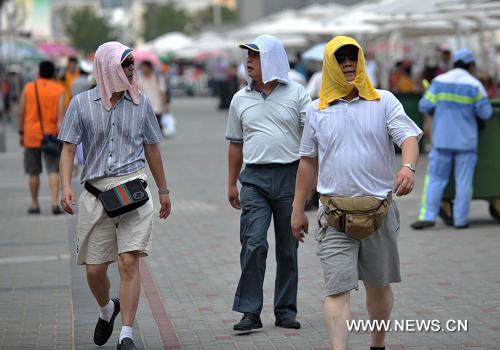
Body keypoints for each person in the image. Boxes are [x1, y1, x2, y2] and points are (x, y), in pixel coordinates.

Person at [291, 36, 422, 350]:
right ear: (330, 66)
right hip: (333, 215)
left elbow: (408, 138)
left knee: (378, 286)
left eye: (353, 57)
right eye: (341, 59)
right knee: (337, 290)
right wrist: (297, 209)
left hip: (380, 211)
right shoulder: (316, 110)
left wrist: (408, 167)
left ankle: (378, 344)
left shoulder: (384, 101)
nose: (348, 64)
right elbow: (307, 163)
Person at [58, 42, 172, 350]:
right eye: (126, 63)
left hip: (134, 191)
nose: (132, 68)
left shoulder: (142, 103)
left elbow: (151, 148)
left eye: (133, 62)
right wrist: (66, 186)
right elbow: (68, 147)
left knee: (127, 261)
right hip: (96, 194)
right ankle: (107, 308)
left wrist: (163, 190)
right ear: (109, 67)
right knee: (95, 269)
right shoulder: (80, 104)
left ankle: (126, 334)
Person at [226, 34, 310, 332]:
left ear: (272, 60)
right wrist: (231, 183)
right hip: (254, 181)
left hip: (290, 177)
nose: (248, 62)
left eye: (254, 56)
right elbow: (236, 144)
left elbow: (313, 138)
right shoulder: (240, 98)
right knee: (253, 243)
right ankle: (250, 311)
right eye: (247, 56)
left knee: (288, 248)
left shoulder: (298, 94)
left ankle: (285, 310)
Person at [411, 49, 492, 230]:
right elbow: (485, 113)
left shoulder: (439, 82)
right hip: (466, 142)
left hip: (442, 140)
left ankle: (427, 216)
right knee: (464, 181)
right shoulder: (475, 85)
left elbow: (424, 105)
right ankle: (461, 221)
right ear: (471, 65)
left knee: (435, 178)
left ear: (454, 63)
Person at [18, 60, 65, 215]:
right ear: (53, 73)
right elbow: (61, 116)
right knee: (53, 170)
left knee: (33, 172)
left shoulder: (28, 88)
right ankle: (53, 203)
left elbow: (21, 112)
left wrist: (21, 132)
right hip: (51, 135)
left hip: (30, 136)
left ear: (39, 72)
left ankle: (34, 204)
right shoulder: (59, 90)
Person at [137, 60, 168, 131]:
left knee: (157, 130)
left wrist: (165, 105)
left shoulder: (158, 78)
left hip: (157, 108)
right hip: (145, 108)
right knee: (146, 130)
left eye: (144, 68)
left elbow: (162, 92)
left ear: (149, 68)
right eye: (142, 68)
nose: (143, 70)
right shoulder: (140, 79)